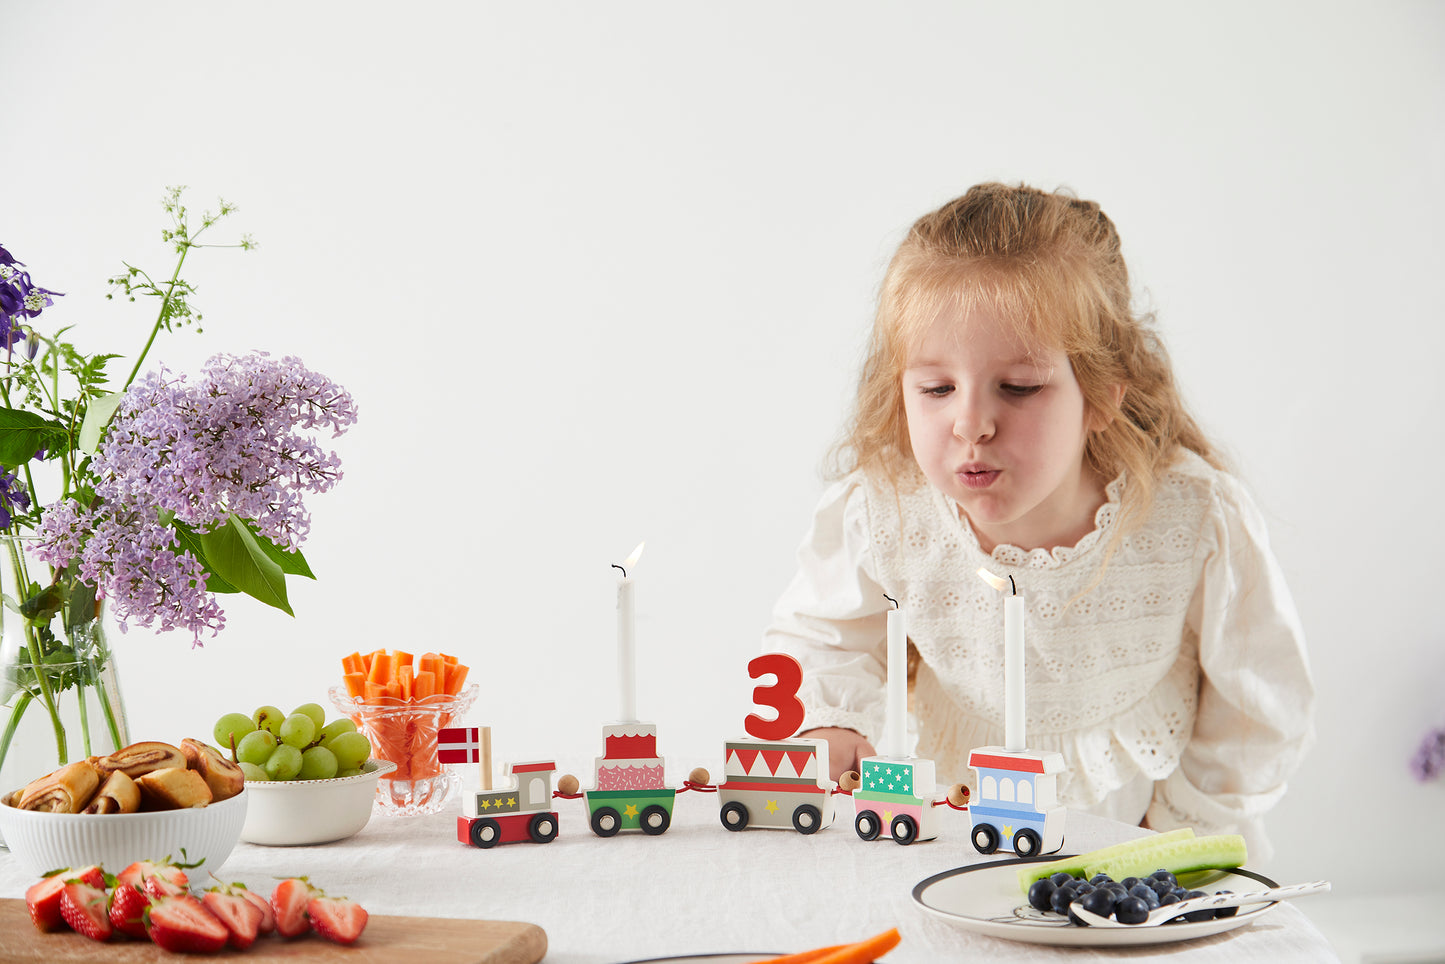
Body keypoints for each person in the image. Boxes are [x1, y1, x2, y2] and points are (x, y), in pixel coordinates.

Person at [764, 182, 1314, 855]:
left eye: (1018, 387)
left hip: (1145, 842)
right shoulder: (882, 511)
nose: (970, 423)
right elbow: (820, 637)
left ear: (1101, 396)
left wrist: (1175, 827)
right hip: (958, 830)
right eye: (935, 388)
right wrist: (832, 724)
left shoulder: (1191, 517)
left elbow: (1259, 702)